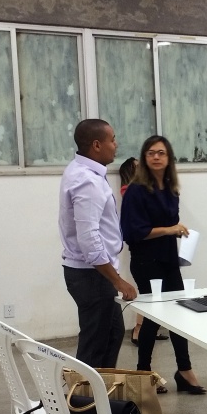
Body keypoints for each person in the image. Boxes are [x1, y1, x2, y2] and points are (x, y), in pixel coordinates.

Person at [120, 135, 206, 394]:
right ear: (144, 158)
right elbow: (133, 233)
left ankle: (184, 370)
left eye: (161, 153)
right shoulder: (136, 190)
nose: (156, 157)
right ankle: (143, 373)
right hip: (146, 262)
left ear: (169, 158)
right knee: (153, 318)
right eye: (151, 153)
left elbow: (169, 224)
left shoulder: (171, 189)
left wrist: (178, 232)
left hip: (169, 260)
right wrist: (169, 230)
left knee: (179, 314)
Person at [59, 119, 137, 368]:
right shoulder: (87, 181)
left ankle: (101, 388)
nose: (116, 144)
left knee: (112, 333)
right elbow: (89, 239)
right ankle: (85, 392)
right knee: (95, 344)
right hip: (92, 276)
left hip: (94, 273)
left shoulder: (83, 171)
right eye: (112, 139)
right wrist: (118, 280)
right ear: (96, 145)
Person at [119, 156, 169, 346]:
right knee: (149, 294)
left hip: (156, 250)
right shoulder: (129, 191)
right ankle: (139, 330)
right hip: (144, 253)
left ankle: (147, 329)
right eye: (138, 166)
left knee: (154, 294)